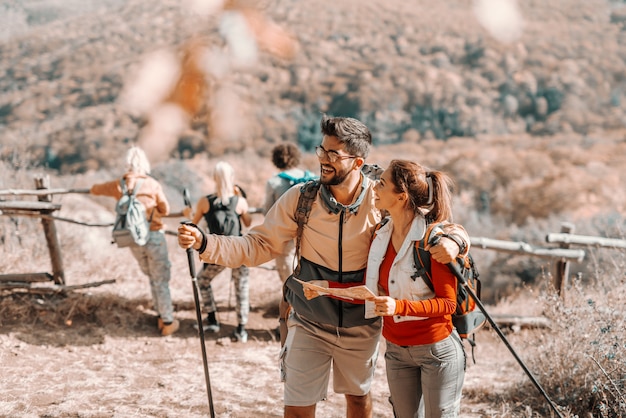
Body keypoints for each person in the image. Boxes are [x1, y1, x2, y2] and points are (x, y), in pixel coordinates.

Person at [178, 115, 469, 418]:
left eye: (333, 154)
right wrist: (205, 243)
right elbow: (258, 245)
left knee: (358, 401)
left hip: (362, 324)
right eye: (322, 151)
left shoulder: (381, 199)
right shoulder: (302, 199)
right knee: (297, 408)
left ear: (357, 162)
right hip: (308, 318)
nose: (323, 160)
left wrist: (458, 242)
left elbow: (434, 223)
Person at [367, 160, 466, 417]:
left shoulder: (433, 241)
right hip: (396, 351)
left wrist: (398, 306)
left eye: (381, 184)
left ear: (400, 197)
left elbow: (448, 304)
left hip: (437, 352)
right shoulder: (380, 233)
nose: (374, 188)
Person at [90, 146, 179, 336]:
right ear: (144, 163)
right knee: (160, 279)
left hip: (133, 239)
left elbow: (96, 190)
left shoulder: (120, 184)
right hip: (154, 236)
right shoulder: (152, 184)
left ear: (127, 164)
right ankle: (168, 321)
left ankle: (160, 314)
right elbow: (166, 209)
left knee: (151, 276)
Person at [184, 161, 252, 343]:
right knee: (242, 287)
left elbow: (194, 223)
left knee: (203, 280)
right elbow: (247, 222)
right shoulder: (240, 202)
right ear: (232, 178)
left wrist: (187, 212)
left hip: (217, 252)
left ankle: (212, 319)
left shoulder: (205, 201)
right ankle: (241, 329)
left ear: (214, 178)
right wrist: (240, 195)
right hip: (239, 251)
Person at [263, 143, 310, 345]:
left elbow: (268, 211)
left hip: (285, 239)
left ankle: (289, 322)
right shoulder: (311, 177)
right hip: (309, 237)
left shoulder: (274, 182)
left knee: (288, 281)